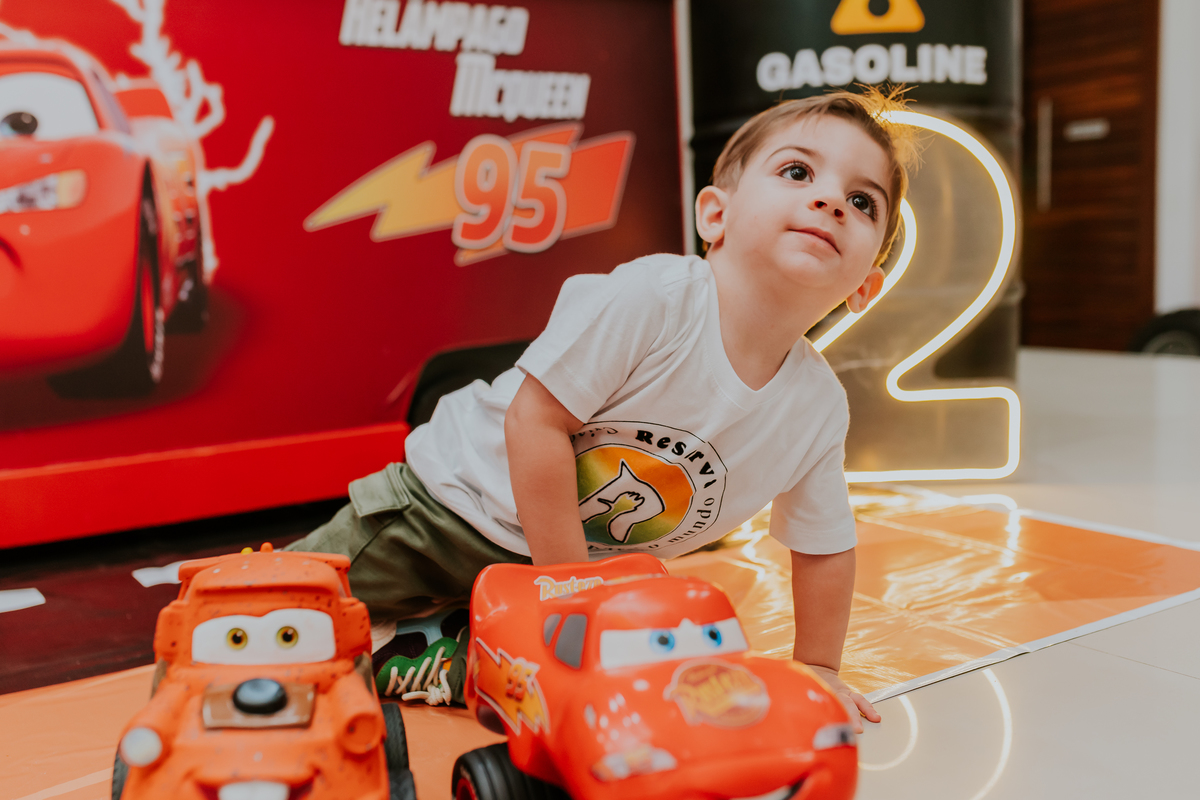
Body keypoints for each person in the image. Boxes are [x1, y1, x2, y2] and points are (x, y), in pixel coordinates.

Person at [288, 87, 916, 729]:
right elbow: (534, 419)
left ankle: (437, 653)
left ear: (866, 287)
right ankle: (419, 626)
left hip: (590, 571)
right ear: (714, 217)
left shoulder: (816, 406)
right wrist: (568, 591)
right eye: (797, 172)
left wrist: (819, 665)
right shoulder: (655, 298)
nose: (831, 200)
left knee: (647, 694)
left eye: (862, 201)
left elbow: (824, 547)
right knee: (279, 617)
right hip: (449, 508)